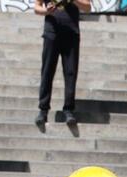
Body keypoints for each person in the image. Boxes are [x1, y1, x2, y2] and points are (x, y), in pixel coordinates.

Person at [34, 0, 91, 129]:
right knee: (47, 71)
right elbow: (37, 7)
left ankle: (68, 110)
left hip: (71, 33)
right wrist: (46, 11)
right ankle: (43, 110)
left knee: (70, 72)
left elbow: (87, 7)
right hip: (51, 32)